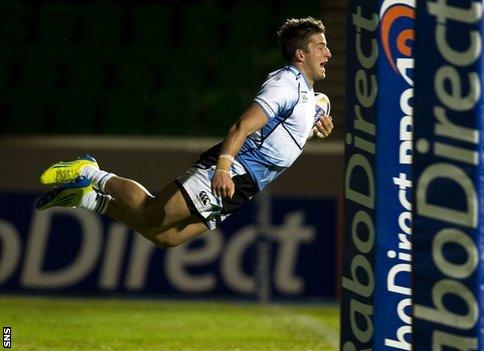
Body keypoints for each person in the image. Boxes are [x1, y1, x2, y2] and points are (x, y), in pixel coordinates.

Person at [35, 17, 333, 248]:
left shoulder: (307, 95)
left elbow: (282, 142)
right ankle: (93, 172)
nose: (328, 53)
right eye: (321, 46)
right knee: (151, 213)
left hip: (249, 185)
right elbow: (242, 126)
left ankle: (86, 198)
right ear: (299, 53)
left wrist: (311, 132)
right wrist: (224, 168)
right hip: (236, 170)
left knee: (166, 239)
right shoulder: (285, 85)